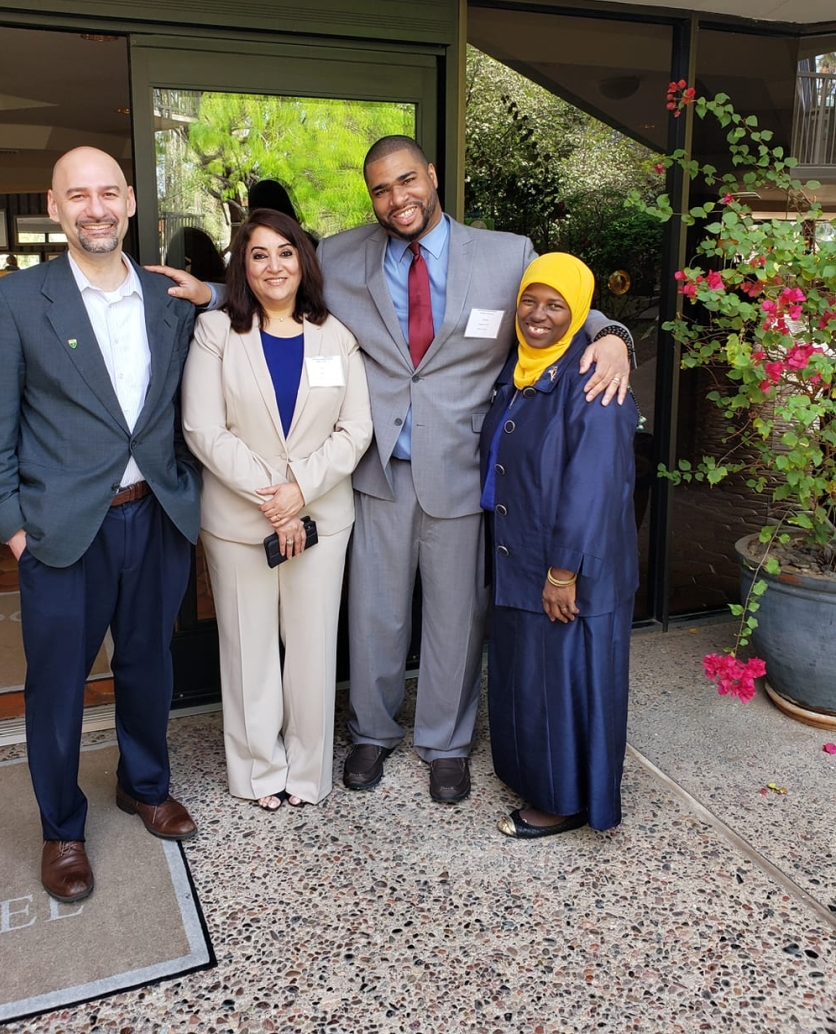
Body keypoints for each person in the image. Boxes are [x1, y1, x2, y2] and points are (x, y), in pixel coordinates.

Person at [147, 136, 632, 805]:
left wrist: (613, 336)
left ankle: (446, 743)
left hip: (460, 467)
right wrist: (208, 294)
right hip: (373, 468)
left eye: (407, 181)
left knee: (457, 616)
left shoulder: (505, 254)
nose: (397, 198)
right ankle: (371, 731)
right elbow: (275, 293)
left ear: (432, 176)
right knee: (374, 615)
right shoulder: (342, 256)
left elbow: (561, 306)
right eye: (381, 188)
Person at [0, 147, 201, 905]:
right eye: (79, 196)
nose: (96, 208)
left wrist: (220, 283)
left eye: (108, 193)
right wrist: (14, 529)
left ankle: (143, 784)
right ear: (55, 206)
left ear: (131, 201)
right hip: (62, 531)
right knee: (59, 686)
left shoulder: (172, 298)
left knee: (148, 667)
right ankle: (62, 827)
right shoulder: (15, 299)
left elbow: (275, 289)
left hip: (154, 518)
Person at [180, 208, 371, 809]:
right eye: (258, 254)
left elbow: (355, 428)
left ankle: (307, 774)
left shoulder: (335, 336)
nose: (273, 266)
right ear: (243, 266)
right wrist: (275, 498)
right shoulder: (216, 332)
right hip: (240, 525)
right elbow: (203, 429)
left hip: (322, 518)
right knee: (248, 650)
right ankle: (260, 772)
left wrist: (299, 494)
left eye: (285, 252)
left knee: (314, 651)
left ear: (303, 260)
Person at [480, 253, 638, 838]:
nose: (539, 315)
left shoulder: (595, 376)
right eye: (529, 300)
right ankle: (538, 777)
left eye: (556, 305)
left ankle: (565, 801)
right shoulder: (522, 368)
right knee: (531, 679)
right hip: (520, 553)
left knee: (565, 684)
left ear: (579, 312)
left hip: (567, 567)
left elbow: (595, 485)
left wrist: (563, 572)